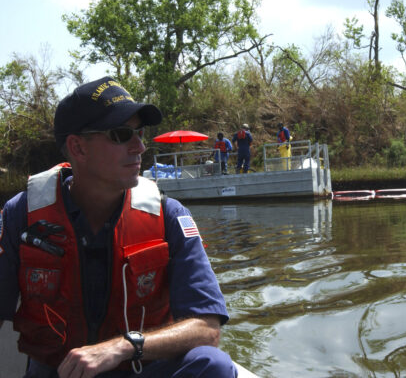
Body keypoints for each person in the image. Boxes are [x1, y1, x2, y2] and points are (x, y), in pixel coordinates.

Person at [0, 77, 237, 378]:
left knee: (212, 365)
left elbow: (208, 328)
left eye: (139, 133)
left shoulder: (169, 216)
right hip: (59, 372)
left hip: (138, 367)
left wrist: (124, 347)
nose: (139, 146)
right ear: (78, 148)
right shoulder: (21, 215)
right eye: (122, 134)